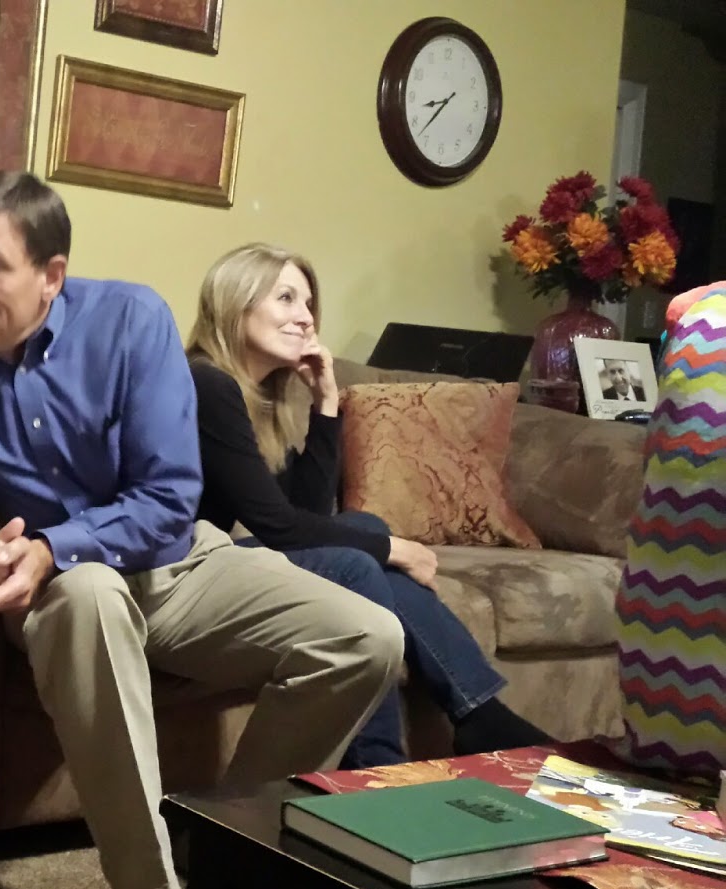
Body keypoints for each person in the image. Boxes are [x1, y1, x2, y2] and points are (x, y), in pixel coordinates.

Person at [0, 171, 404, 889]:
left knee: (369, 637)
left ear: (51, 276)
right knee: (90, 595)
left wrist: (56, 543)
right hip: (57, 591)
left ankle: (219, 848)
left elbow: (168, 499)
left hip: (177, 564)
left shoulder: (131, 321)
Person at [185, 241, 553, 768]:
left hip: (217, 559)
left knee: (362, 528)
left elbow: (310, 514)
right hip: (185, 571)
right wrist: (394, 549)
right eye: (286, 298)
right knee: (357, 561)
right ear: (235, 302)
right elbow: (280, 527)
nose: (306, 318)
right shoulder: (207, 384)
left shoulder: (256, 396)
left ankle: (475, 715)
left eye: (308, 303)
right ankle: (383, 756)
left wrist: (326, 402)